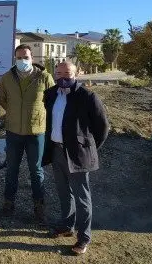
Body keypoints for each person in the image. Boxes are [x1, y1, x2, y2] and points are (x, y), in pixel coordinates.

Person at [43, 61, 109, 255]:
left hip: (77, 154)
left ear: (76, 74)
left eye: (67, 73)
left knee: (82, 197)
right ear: (55, 74)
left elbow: (102, 127)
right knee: (64, 193)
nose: (63, 76)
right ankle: (66, 225)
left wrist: (88, 148)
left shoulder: (88, 96)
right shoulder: (51, 94)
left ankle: (84, 237)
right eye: (59, 72)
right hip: (56, 151)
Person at [0, 44, 55, 221]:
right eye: (19, 57)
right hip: (13, 131)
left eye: (26, 57)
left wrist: (35, 115)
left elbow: (52, 100)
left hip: (36, 132)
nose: (23, 60)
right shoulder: (7, 78)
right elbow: (3, 99)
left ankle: (39, 207)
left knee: (36, 171)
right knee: (11, 170)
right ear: (15, 58)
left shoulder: (44, 77)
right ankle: (8, 203)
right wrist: (16, 113)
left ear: (32, 58)